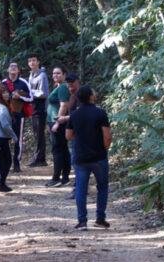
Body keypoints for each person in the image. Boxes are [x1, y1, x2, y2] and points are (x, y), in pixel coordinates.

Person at [66, 85, 111, 230]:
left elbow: (68, 136)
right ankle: (100, 219)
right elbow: (107, 136)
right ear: (91, 96)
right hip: (99, 157)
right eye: (94, 92)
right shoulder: (100, 113)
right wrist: (104, 148)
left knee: (81, 189)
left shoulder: (74, 115)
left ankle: (82, 221)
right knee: (102, 187)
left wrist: (80, 136)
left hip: (80, 157)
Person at [2, 63, 32, 173]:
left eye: (15, 67)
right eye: (11, 66)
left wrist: (20, 97)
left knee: (17, 138)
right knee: (4, 137)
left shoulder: (23, 83)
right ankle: (5, 162)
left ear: (19, 70)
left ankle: (16, 163)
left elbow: (31, 98)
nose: (13, 68)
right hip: (5, 114)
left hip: (19, 114)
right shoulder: (3, 83)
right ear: (8, 70)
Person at [46, 67, 71, 187]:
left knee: (57, 150)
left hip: (58, 122)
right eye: (53, 73)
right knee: (63, 149)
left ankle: (56, 178)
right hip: (54, 121)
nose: (55, 75)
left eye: (58, 73)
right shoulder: (59, 86)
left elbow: (64, 105)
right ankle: (65, 177)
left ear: (64, 75)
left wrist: (57, 123)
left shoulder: (62, 87)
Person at [0, 83, 18, 192]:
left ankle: (0, 182)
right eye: (3, 92)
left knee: (2, 160)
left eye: (7, 92)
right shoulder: (2, 108)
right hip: (0, 138)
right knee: (7, 161)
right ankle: (1, 184)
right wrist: (14, 136)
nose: (6, 94)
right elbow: (5, 125)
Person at [27, 55, 49, 167]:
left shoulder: (42, 75)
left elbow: (43, 93)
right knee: (37, 133)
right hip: (33, 108)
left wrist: (30, 92)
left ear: (38, 62)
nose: (32, 62)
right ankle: (40, 157)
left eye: (34, 60)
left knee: (39, 133)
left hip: (40, 108)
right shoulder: (31, 75)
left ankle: (40, 159)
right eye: (30, 61)